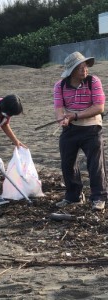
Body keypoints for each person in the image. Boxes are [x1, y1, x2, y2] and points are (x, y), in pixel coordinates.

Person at [53, 51, 107, 211]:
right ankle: (73, 196)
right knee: (67, 163)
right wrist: (61, 119)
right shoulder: (60, 86)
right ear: (71, 71)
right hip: (70, 127)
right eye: (80, 68)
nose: (84, 70)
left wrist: (75, 115)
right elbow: (58, 108)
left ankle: (99, 197)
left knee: (95, 164)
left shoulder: (93, 81)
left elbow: (99, 107)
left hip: (91, 127)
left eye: (85, 67)